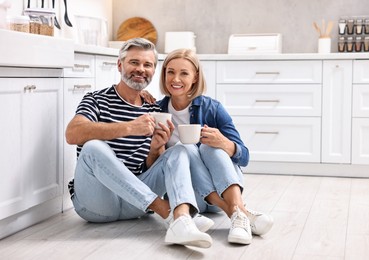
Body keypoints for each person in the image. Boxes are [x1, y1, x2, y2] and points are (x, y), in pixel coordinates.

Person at [65, 38, 213, 248]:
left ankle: (181, 216)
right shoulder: (95, 99)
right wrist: (129, 127)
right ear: (120, 65)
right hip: (97, 203)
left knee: (180, 151)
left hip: (136, 203)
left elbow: (153, 167)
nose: (141, 69)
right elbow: (72, 134)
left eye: (148, 65)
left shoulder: (153, 108)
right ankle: (169, 213)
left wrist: (155, 149)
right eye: (134, 62)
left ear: (154, 71)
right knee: (92, 147)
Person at [157, 48, 274, 245]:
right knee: (183, 149)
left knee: (208, 147)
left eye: (184, 73)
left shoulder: (213, 108)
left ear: (195, 77)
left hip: (223, 189)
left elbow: (244, 157)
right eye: (170, 72)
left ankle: (236, 211)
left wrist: (225, 144)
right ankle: (239, 214)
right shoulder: (156, 110)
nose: (176, 79)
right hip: (190, 199)